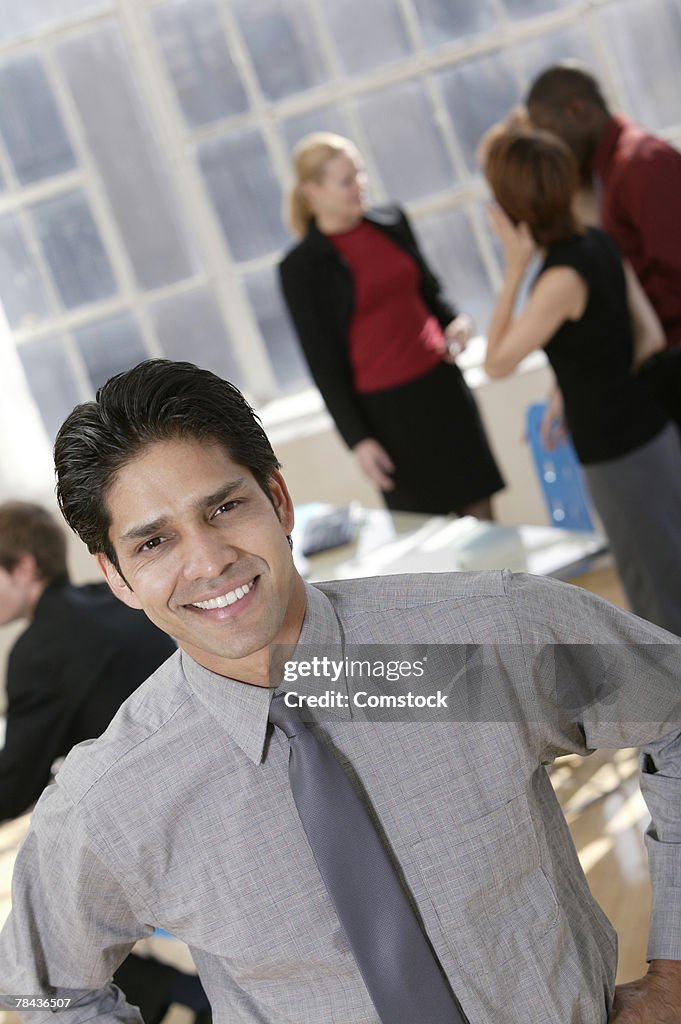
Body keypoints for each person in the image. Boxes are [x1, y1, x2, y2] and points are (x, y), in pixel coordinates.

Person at [1, 359, 680, 1024]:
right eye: (153, 543)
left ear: (279, 499)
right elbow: (42, 987)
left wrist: (675, 974)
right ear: (116, 576)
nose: (207, 562)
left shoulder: (480, 641)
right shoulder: (113, 799)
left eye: (225, 507)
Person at [481, 126, 681, 637]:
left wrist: (512, 271)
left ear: (512, 209)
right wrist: (570, 386)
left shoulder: (558, 280)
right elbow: (648, 337)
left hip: (619, 454)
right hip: (654, 433)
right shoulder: (598, 242)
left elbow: (497, 362)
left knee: (656, 598)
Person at [279, 132, 504, 519]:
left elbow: (431, 294)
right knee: (432, 541)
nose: (360, 185)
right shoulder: (300, 269)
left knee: (485, 517)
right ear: (312, 191)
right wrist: (359, 440)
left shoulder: (391, 222)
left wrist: (456, 322)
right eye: (346, 180)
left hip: (443, 389)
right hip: (389, 418)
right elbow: (323, 363)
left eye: (360, 174)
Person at [0, 501, 176, 822]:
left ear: (23, 569)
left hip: (154, 811)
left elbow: (11, 791)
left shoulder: (38, 650)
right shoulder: (113, 597)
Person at [526, 62, 681, 426]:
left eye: (548, 131)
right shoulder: (609, 174)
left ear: (577, 111)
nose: (551, 149)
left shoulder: (642, 163)